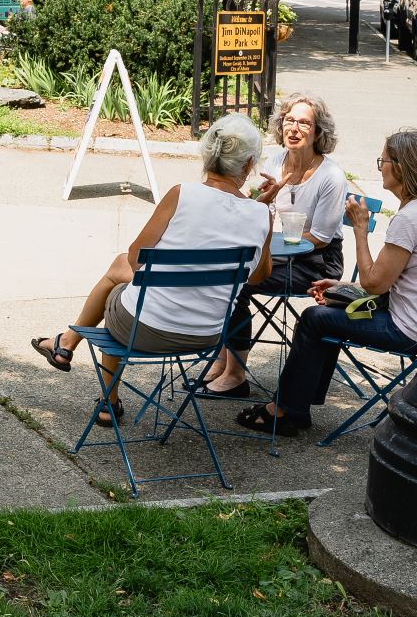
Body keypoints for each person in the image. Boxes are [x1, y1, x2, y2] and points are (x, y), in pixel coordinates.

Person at [32, 114, 274, 426]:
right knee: (126, 283)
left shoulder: (181, 194)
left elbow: (136, 258)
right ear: (249, 164)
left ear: (208, 154)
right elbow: (257, 277)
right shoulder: (260, 213)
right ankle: (65, 345)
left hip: (146, 329)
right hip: (207, 335)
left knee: (119, 286)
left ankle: (102, 393)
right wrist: (262, 214)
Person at [236, 128, 417, 436]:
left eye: (383, 160)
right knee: (328, 314)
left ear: (400, 166)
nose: (380, 166)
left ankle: (287, 410)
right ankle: (298, 404)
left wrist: (360, 229)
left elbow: (374, 284)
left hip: (408, 329)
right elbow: (399, 280)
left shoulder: (410, 218)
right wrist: (344, 288)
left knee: (314, 318)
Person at [203, 93, 349, 397]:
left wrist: (273, 246)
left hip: (317, 262)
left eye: (304, 123)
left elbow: (320, 237)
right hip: (279, 251)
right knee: (224, 272)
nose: (294, 128)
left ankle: (235, 375)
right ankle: (219, 362)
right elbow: (258, 209)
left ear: (318, 132)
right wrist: (262, 201)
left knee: (239, 281)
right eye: (290, 120)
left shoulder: (331, 176)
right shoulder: (276, 161)